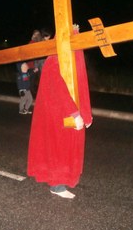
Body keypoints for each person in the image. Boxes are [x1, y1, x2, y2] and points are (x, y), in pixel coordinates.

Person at [27, 25, 92, 199]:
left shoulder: (73, 56)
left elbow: (81, 84)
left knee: (68, 147)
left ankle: (63, 179)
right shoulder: (54, 59)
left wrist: (85, 112)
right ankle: (57, 185)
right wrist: (75, 113)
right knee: (58, 147)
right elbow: (57, 87)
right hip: (58, 112)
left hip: (69, 109)